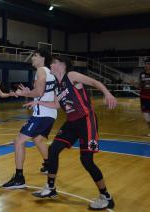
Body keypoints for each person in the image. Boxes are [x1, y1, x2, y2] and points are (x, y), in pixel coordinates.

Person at [31, 56, 117, 211]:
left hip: (85, 120)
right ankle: (50, 188)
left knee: (86, 160)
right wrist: (38, 102)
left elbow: (94, 82)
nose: (51, 63)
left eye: (54, 62)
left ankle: (106, 197)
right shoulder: (58, 86)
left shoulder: (71, 76)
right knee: (53, 149)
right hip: (71, 123)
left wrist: (107, 93)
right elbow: (56, 104)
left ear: (62, 64)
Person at [2, 48, 57, 189]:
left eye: (35, 56)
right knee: (38, 139)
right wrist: (29, 93)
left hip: (42, 114)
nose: (32, 58)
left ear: (42, 58)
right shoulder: (51, 72)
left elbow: (39, 91)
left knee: (18, 141)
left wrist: (24, 93)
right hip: (50, 114)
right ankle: (48, 165)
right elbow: (44, 92)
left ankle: (19, 178)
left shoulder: (40, 71)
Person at [139, 59, 150, 136]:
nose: (147, 65)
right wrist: (134, 84)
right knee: (146, 117)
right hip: (143, 98)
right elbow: (140, 85)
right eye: (146, 64)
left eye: (148, 64)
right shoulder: (141, 74)